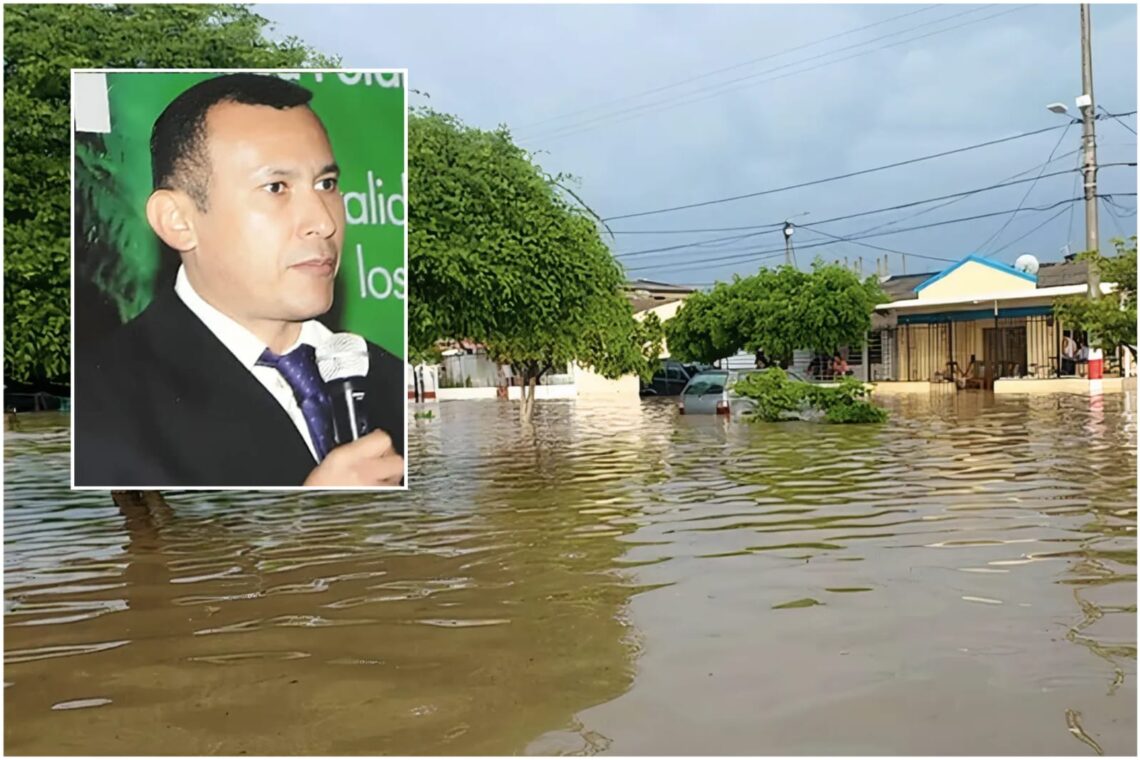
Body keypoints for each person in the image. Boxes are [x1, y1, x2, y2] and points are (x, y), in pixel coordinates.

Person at [75, 74, 404, 488]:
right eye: (276, 188)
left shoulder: (389, 379)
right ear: (178, 221)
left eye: (327, 184)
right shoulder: (98, 404)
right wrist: (311, 519)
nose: (323, 222)